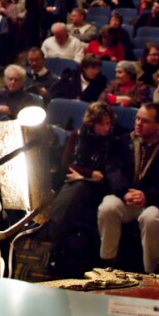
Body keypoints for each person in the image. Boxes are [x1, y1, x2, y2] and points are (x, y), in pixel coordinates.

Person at [98, 103, 159, 272]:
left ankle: (151, 272)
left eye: (145, 121)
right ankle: (108, 262)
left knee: (151, 219)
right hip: (129, 197)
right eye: (137, 118)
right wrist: (124, 192)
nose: (138, 124)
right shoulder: (126, 140)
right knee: (108, 207)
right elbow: (113, 169)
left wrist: (147, 196)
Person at [47, 102, 119, 276]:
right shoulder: (77, 135)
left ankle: (50, 234)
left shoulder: (113, 142)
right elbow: (66, 164)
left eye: (109, 124)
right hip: (75, 179)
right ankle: (51, 238)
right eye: (102, 124)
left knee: (78, 186)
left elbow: (104, 175)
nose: (106, 128)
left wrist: (88, 176)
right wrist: (89, 173)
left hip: (98, 188)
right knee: (74, 184)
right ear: (92, 123)